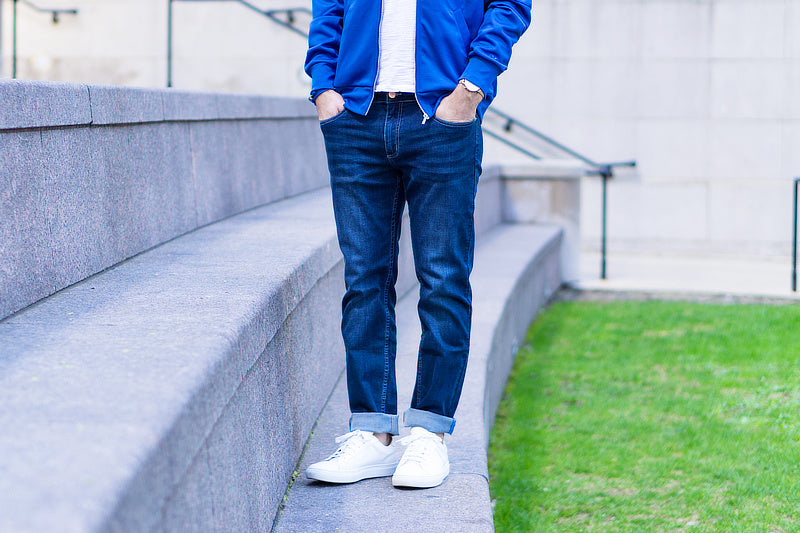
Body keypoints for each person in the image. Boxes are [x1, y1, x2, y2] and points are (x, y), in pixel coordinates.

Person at [303, 0, 531, 489]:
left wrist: (471, 88)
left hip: (442, 114)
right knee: (364, 278)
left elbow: (509, 6)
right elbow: (328, 10)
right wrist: (324, 86)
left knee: (443, 278)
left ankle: (429, 432)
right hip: (356, 114)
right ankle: (373, 433)